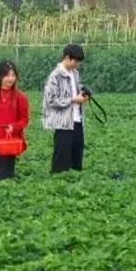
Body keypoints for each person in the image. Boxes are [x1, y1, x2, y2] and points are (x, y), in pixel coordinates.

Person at [42, 43, 89, 174]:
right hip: (63, 123)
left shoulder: (75, 74)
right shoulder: (55, 76)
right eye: (76, 61)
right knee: (62, 157)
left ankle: (75, 182)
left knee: (77, 153)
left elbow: (77, 92)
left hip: (77, 120)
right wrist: (74, 99)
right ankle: (58, 184)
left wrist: (83, 97)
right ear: (67, 58)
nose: (77, 65)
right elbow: (50, 99)